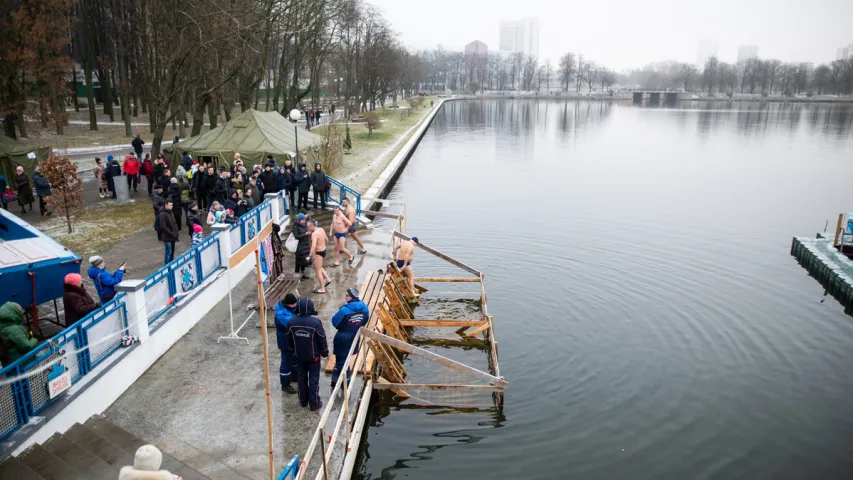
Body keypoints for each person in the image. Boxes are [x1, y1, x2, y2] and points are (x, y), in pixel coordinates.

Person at [286, 297, 328, 411]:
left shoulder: (291, 321)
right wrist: (325, 352)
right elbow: (322, 338)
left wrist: (291, 350)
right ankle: (314, 403)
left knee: (301, 378)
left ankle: (303, 402)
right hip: (313, 357)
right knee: (313, 379)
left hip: (299, 356)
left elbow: (288, 339)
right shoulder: (315, 322)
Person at [330, 288, 369, 388]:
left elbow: (335, 322)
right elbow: (365, 320)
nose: (345, 297)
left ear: (352, 297)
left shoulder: (344, 310)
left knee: (342, 362)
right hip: (355, 335)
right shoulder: (364, 307)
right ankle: (334, 380)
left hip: (343, 337)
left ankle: (345, 383)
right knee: (344, 359)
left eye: (347, 295)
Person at [274, 293, 299, 394]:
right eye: (292, 305)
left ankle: (294, 376)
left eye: (295, 304)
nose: (294, 306)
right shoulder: (281, 314)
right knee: (286, 362)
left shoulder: (290, 308)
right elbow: (292, 323)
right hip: (285, 341)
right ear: (287, 304)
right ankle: (285, 384)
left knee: (294, 359)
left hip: (292, 341)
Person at [0, 302, 37, 366]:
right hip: (22, 364)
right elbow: (26, 346)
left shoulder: (3, 326)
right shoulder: (14, 329)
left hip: (9, 364)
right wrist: (34, 340)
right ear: (15, 313)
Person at [308, 220, 331, 294]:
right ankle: (327, 279)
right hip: (324, 250)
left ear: (312, 226)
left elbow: (313, 246)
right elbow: (326, 239)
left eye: (309, 227)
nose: (308, 229)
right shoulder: (321, 229)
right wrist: (323, 246)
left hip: (319, 252)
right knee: (319, 266)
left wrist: (310, 255)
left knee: (318, 270)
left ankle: (322, 288)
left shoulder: (314, 234)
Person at [159, 200, 179, 265]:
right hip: (167, 237)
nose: (171, 207)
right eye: (170, 205)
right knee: (168, 252)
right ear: (166, 205)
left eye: (172, 205)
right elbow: (163, 226)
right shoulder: (163, 214)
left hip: (173, 236)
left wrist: (176, 232)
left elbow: (174, 223)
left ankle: (171, 264)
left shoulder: (170, 213)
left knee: (172, 252)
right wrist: (172, 233)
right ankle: (166, 266)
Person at [292, 213, 311, 279]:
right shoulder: (295, 227)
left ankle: (302, 274)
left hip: (305, 246)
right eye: (302, 220)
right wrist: (305, 234)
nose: (304, 221)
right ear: (299, 220)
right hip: (299, 247)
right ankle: (296, 275)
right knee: (298, 262)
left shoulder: (305, 225)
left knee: (304, 262)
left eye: (304, 220)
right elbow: (296, 236)